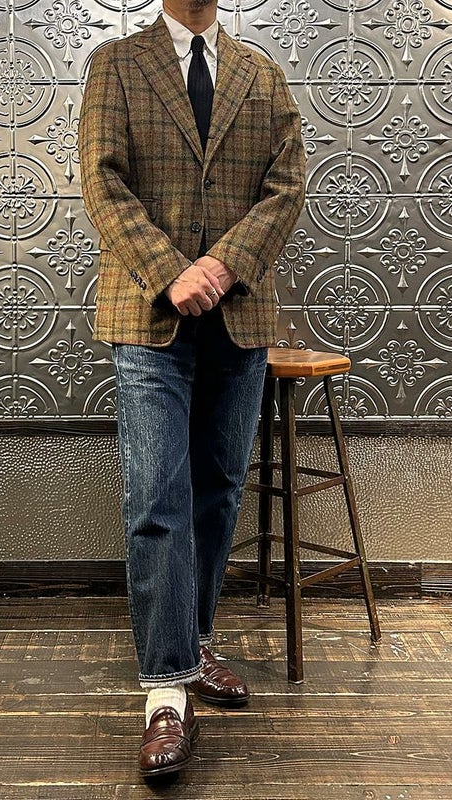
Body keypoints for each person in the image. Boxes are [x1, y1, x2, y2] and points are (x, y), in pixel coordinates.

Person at [79, 0, 306, 779]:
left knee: (217, 491)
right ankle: (165, 695)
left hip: (239, 316)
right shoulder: (116, 65)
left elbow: (286, 187)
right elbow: (103, 183)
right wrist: (172, 271)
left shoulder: (262, 75)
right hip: (148, 314)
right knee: (156, 498)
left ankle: (194, 641)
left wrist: (221, 265)